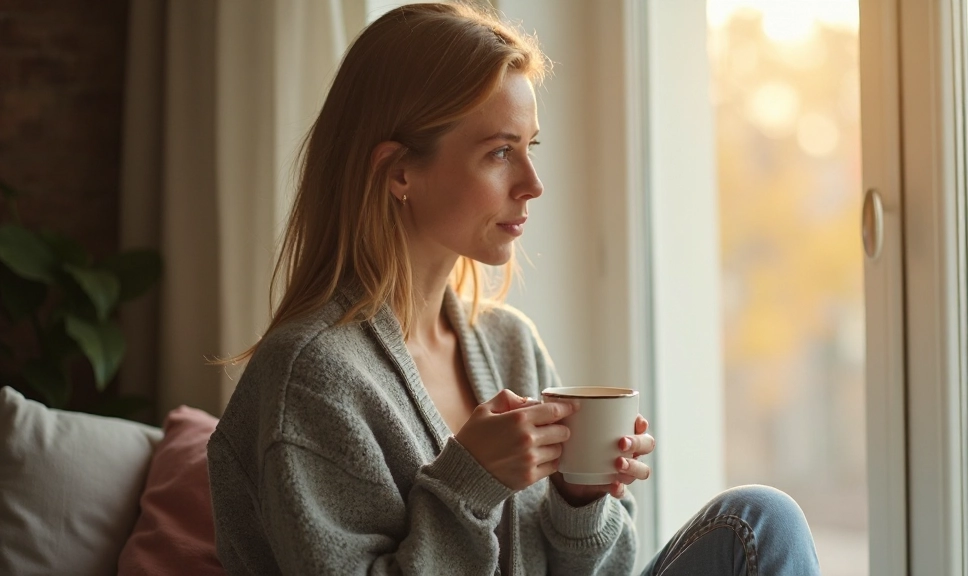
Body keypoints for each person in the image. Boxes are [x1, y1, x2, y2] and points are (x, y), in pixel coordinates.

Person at [207, 3, 821, 575]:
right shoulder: (311, 377)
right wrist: (468, 483)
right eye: (501, 153)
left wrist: (577, 499)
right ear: (399, 172)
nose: (533, 183)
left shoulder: (507, 343)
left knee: (759, 520)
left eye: (529, 148)